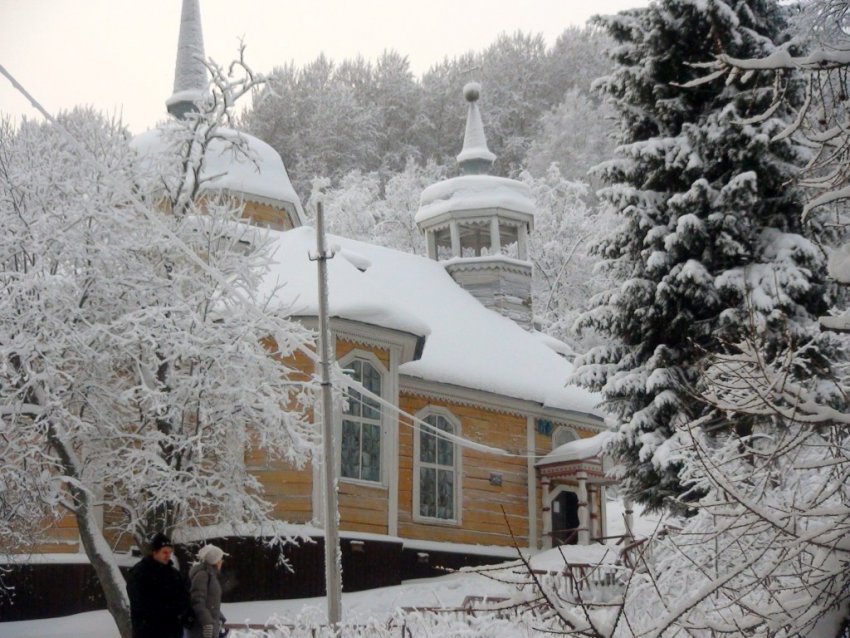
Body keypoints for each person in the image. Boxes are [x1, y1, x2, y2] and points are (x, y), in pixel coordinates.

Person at [126, 532, 189, 638]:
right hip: (149, 632)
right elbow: (140, 603)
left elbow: (184, 596)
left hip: (173, 631)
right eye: (164, 552)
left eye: (170, 553)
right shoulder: (140, 572)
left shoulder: (174, 574)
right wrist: (169, 609)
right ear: (155, 552)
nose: (168, 556)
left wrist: (183, 612)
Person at [189, 544, 228, 638]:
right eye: (220, 559)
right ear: (215, 561)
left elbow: (211, 603)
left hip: (211, 626)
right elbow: (197, 601)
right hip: (203, 629)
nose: (222, 562)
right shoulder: (203, 575)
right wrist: (207, 623)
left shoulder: (211, 575)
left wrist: (220, 617)